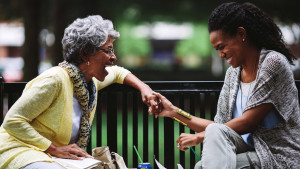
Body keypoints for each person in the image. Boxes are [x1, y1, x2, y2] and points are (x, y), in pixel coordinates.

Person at [152, 2, 300, 169]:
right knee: (209, 150)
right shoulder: (232, 74)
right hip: (245, 149)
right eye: (216, 49)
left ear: (241, 34)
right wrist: (174, 112)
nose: (221, 54)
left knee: (202, 165)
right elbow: (220, 127)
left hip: (277, 156)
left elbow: (247, 123)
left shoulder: (273, 63)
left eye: (222, 47)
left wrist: (199, 137)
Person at [0, 15, 159, 169]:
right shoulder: (54, 80)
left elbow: (118, 72)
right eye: (108, 51)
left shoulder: (90, 81)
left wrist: (145, 89)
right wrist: (54, 149)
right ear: (84, 54)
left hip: (54, 157)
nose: (114, 57)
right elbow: (13, 121)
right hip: (21, 152)